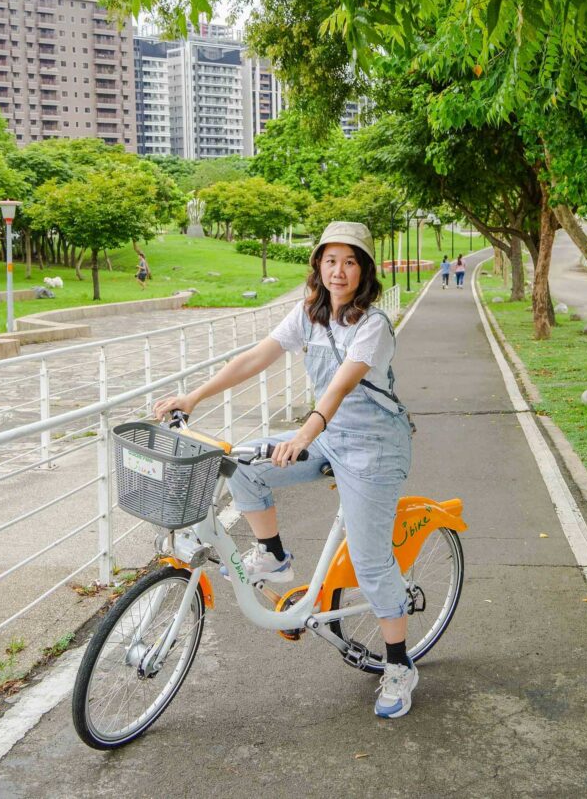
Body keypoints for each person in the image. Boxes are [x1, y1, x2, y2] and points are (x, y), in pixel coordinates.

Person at [152, 221, 418, 719]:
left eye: (351, 261)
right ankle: (274, 557)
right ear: (317, 264)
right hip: (327, 436)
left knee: (369, 558)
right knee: (241, 467)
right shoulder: (308, 316)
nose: (339, 271)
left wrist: (302, 434)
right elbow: (256, 357)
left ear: (365, 270)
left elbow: (338, 387)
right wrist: (193, 396)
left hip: (373, 447)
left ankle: (399, 665)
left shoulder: (373, 325)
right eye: (330, 260)